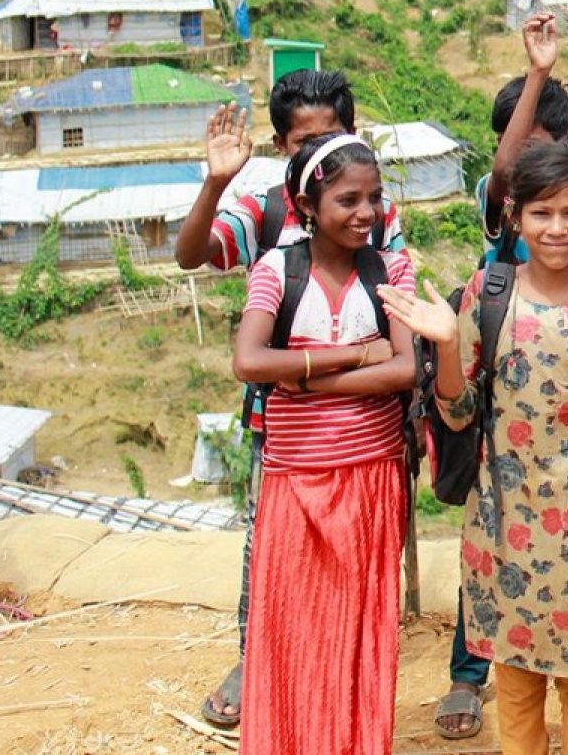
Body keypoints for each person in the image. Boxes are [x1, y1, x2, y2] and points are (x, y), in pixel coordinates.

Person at [173, 70, 407, 731]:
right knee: (272, 564)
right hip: (279, 429)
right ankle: (264, 669)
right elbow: (192, 255)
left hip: (363, 434)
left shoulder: (374, 215)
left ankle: (337, 700)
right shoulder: (264, 215)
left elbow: (399, 343)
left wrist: (307, 373)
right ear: (282, 148)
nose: (323, 150)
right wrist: (217, 182)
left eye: (334, 135)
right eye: (307, 140)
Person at [385, 143, 568, 755]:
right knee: (516, 689)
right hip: (502, 530)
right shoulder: (488, 291)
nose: (557, 228)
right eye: (541, 213)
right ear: (515, 217)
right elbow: (460, 409)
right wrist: (445, 347)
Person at [230, 135, 420, 755]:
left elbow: (404, 369)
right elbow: (250, 361)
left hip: (371, 475)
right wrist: (355, 354)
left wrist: (304, 370)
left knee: (361, 628)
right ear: (305, 205)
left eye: (373, 198)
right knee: (291, 627)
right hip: (294, 479)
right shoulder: (276, 270)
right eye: (347, 200)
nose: (366, 212)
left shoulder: (391, 269)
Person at [475, 15, 568, 263]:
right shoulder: (505, 195)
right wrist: (538, 72)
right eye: (504, 142)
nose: (512, 152)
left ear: (567, 140)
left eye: (528, 146)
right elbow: (504, 170)